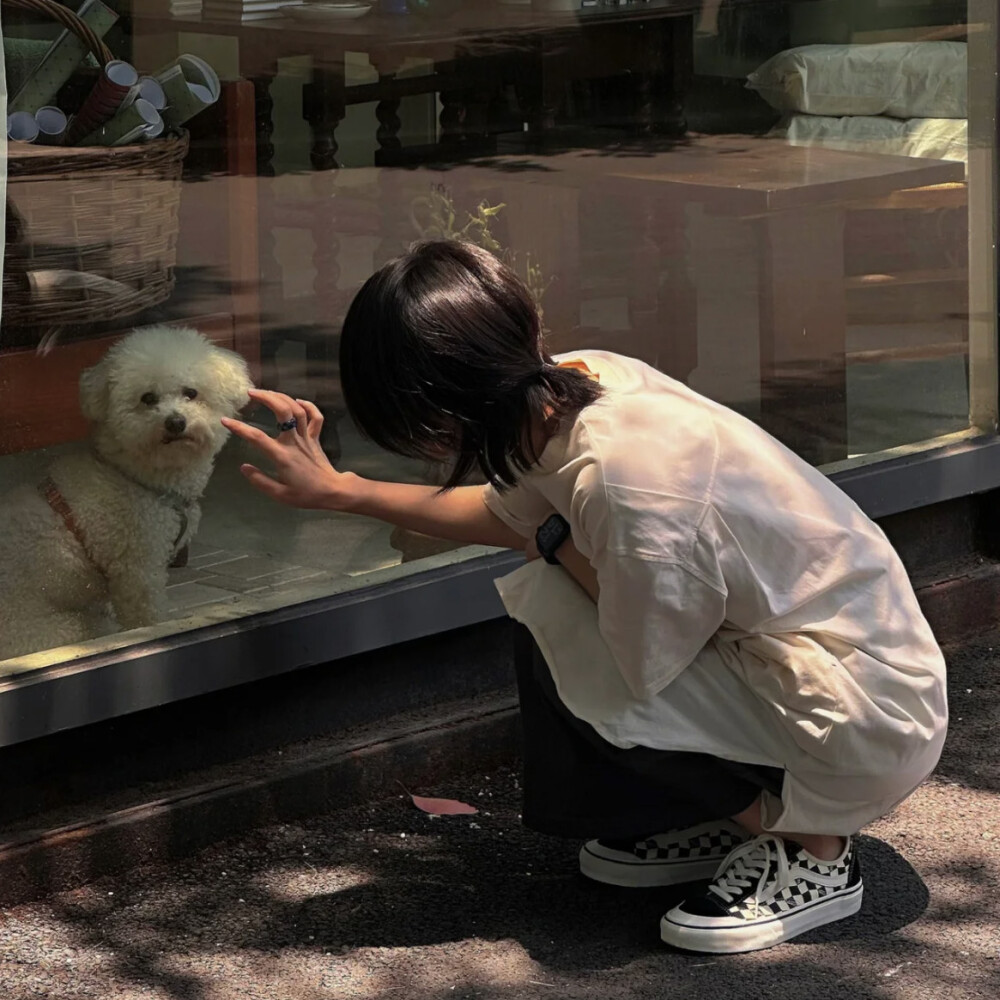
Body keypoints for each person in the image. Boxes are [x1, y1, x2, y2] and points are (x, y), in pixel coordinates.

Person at [223, 239, 948, 955]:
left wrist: (548, 542)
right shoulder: (572, 381)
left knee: (566, 627)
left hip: (863, 719)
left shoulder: (626, 477)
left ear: (439, 412)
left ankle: (809, 846)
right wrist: (342, 493)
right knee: (554, 595)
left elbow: (643, 654)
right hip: (833, 669)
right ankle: (729, 815)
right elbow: (512, 517)